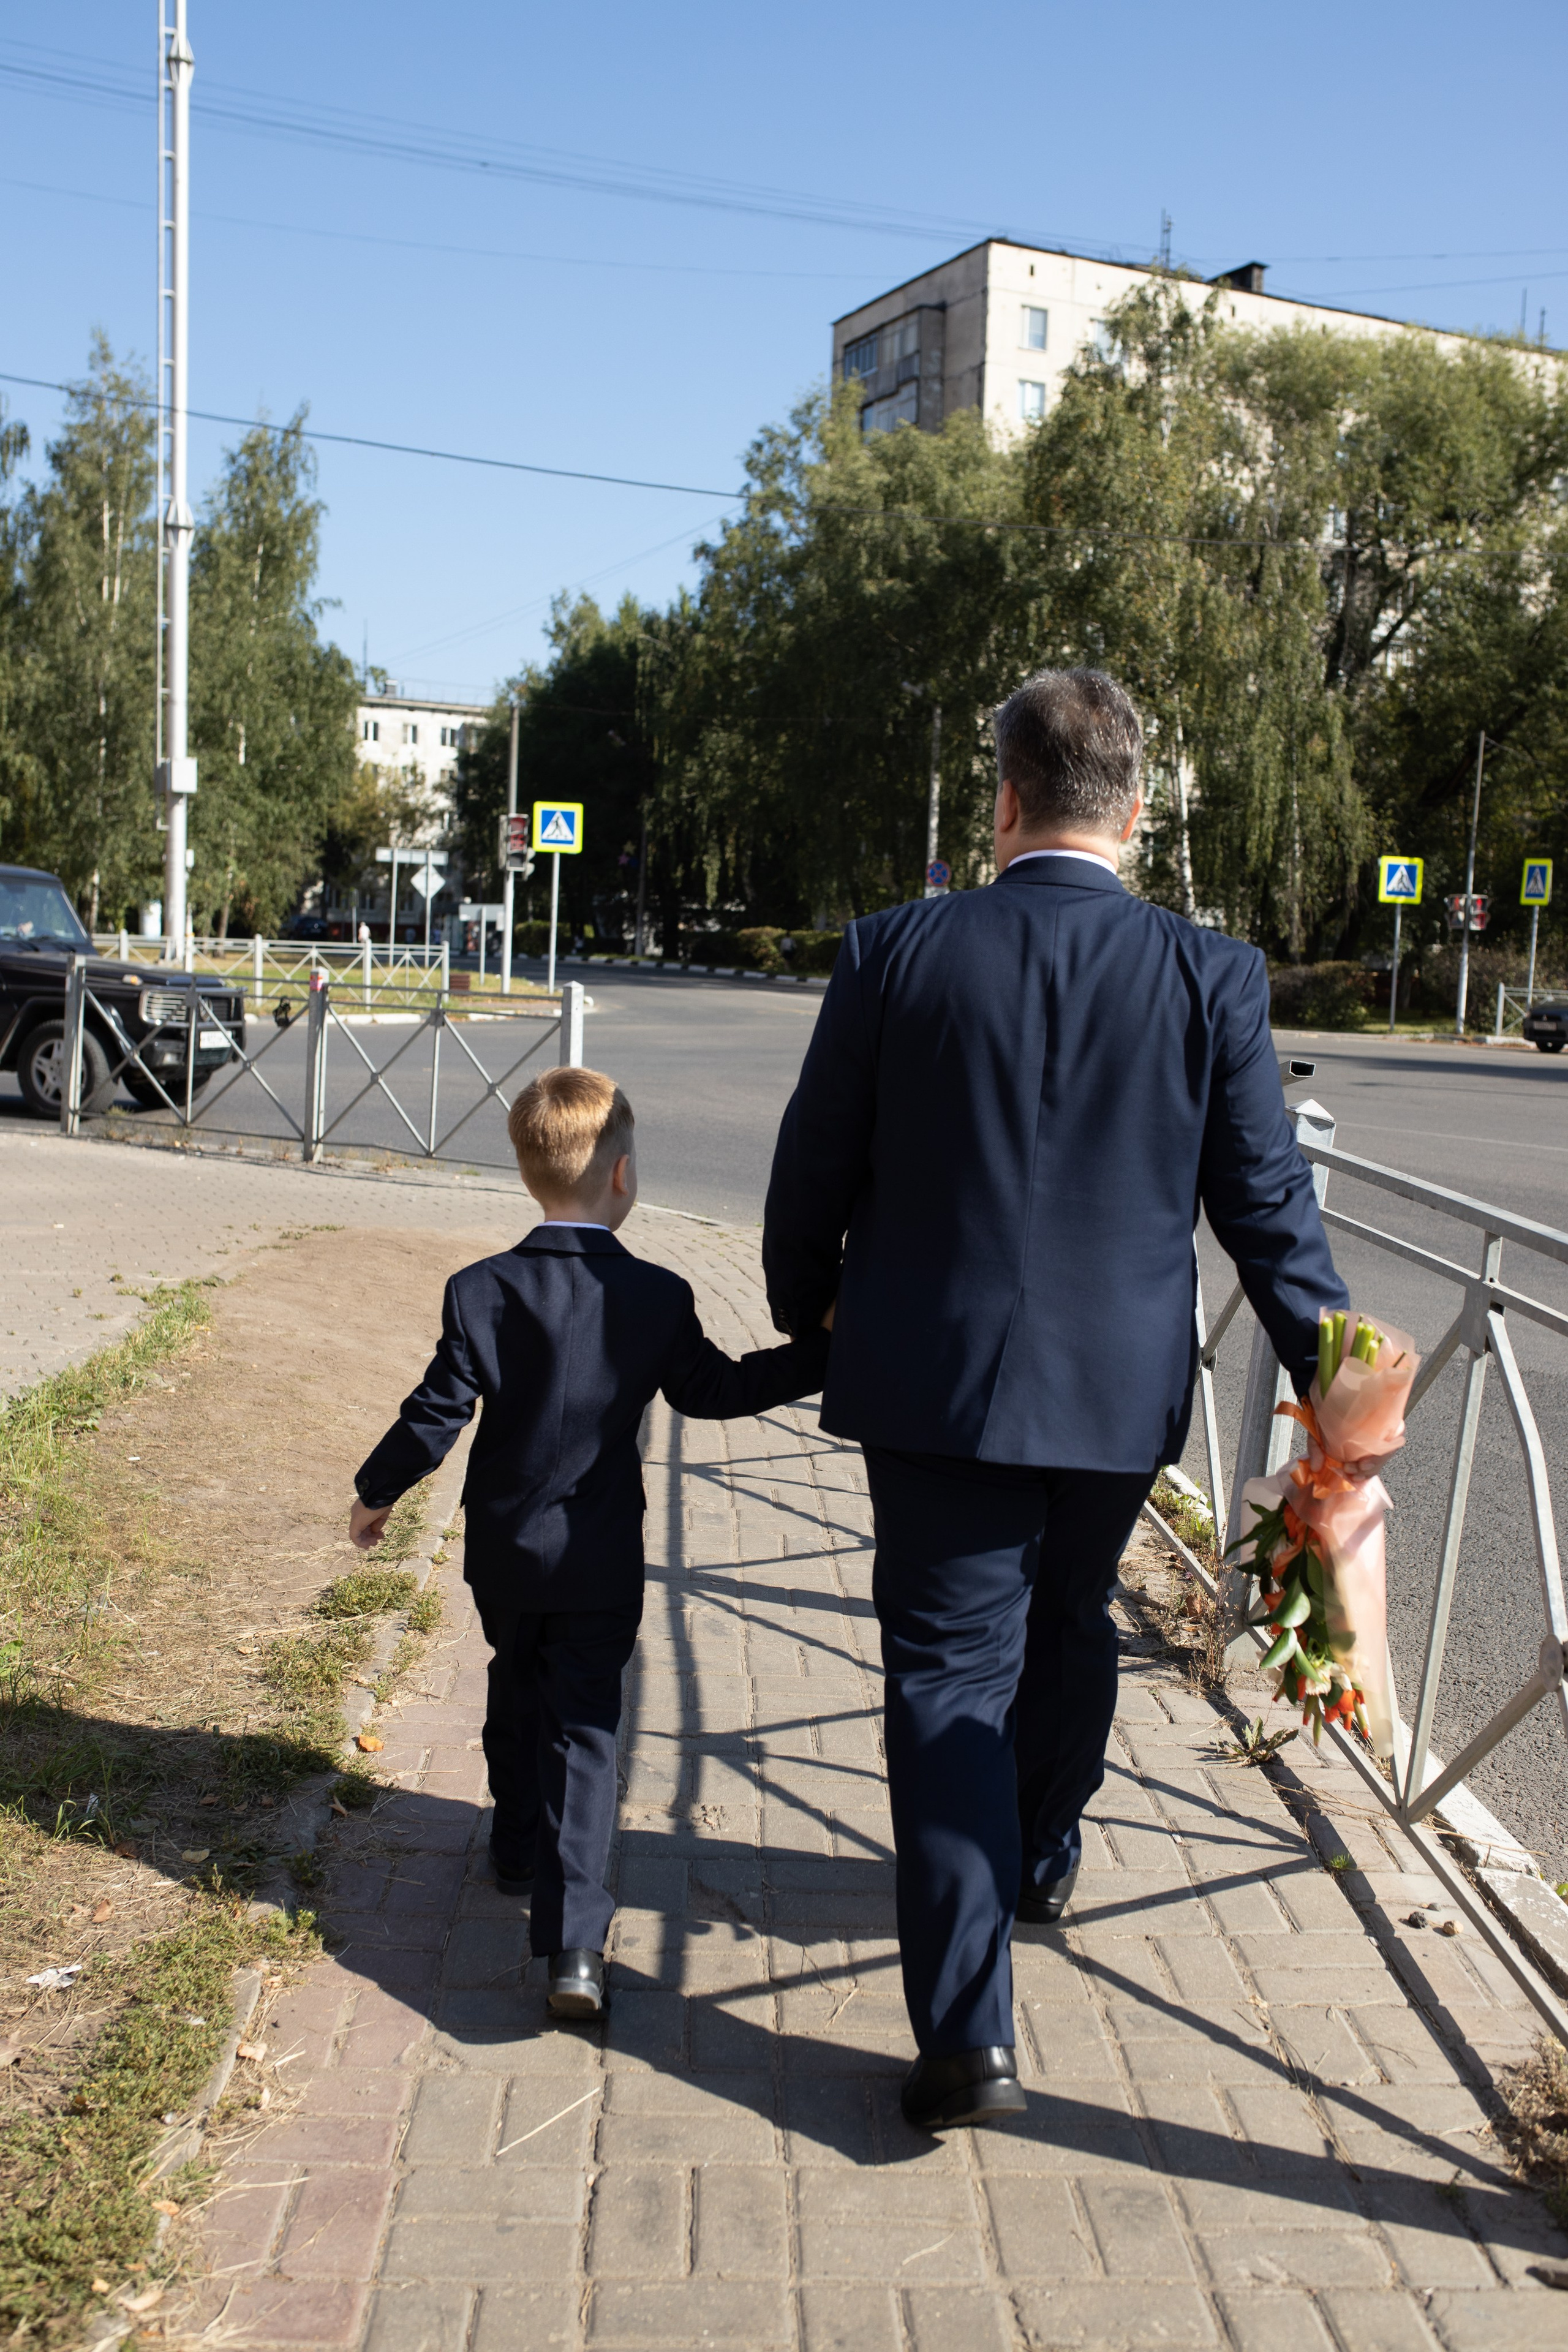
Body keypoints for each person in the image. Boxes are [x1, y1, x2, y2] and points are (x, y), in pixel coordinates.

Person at [762, 668, 1346, 2132]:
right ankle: (1038, 1854)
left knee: (945, 1680)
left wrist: (804, 1304)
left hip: (931, 1383)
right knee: (1070, 1619)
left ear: (1004, 800)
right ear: (1133, 815)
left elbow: (812, 1161)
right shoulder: (1209, 975)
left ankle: (967, 2036)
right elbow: (1266, 1208)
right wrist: (1333, 1379)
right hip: (1115, 1395)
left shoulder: (893, 949)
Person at [351, 1066, 832, 2022]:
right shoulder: (656, 1294)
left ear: (530, 1171)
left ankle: (514, 1846)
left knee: (513, 1682)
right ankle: (573, 1945)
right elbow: (717, 1390)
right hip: (601, 1560)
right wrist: (825, 1352)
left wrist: (377, 1490)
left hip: (503, 1555)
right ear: (622, 1175)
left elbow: (436, 1412)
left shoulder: (481, 1290)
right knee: (585, 1732)